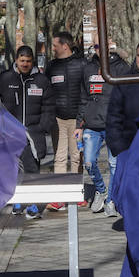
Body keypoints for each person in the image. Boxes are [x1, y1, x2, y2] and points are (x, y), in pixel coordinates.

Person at [0, 45, 53, 219]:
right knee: (12, 170)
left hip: (32, 134)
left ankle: (35, 203)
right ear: (16, 60)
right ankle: (19, 200)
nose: (25, 64)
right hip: (9, 133)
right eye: (22, 61)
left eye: (28, 61)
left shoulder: (42, 81)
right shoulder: (4, 79)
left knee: (31, 169)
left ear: (33, 61)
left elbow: (49, 107)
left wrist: (42, 127)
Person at [45, 32, 88, 194]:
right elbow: (46, 92)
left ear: (65, 46)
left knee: (77, 157)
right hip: (58, 120)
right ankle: (59, 195)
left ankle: (77, 193)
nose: (52, 49)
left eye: (55, 45)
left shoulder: (82, 64)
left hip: (77, 121)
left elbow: (87, 93)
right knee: (60, 157)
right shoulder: (51, 66)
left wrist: (82, 120)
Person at [78, 53, 114, 214]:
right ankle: (101, 190)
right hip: (92, 125)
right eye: (96, 45)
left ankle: (111, 200)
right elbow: (83, 98)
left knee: (114, 165)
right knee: (89, 162)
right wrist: (79, 124)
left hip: (113, 124)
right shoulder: (88, 68)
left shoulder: (120, 66)